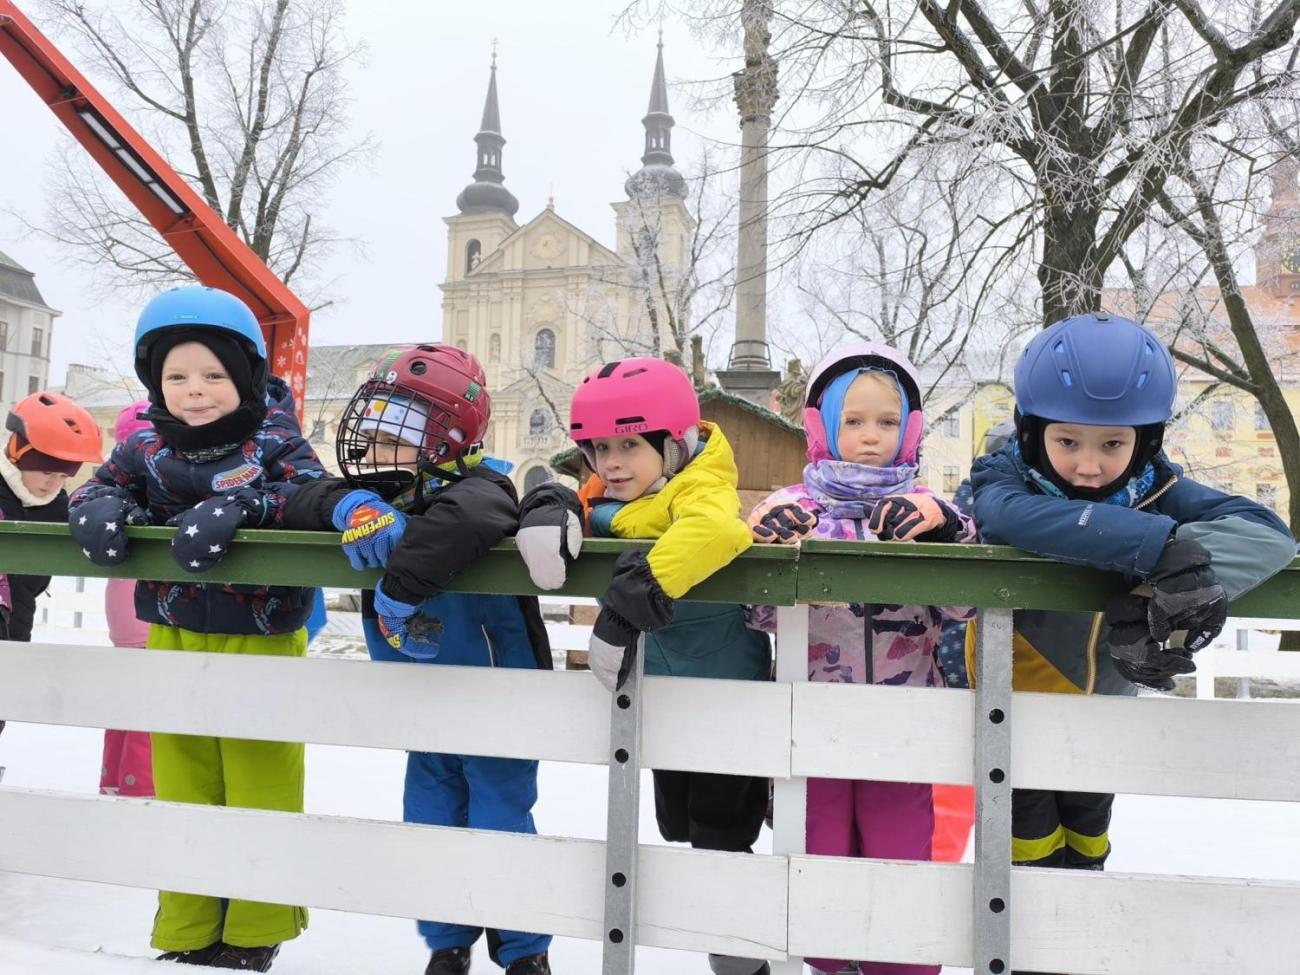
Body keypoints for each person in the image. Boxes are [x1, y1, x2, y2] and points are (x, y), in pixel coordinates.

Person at [968, 313, 1294, 922]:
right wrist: (1161, 548)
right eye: (1067, 442)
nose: (1088, 467)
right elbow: (1007, 516)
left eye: (1112, 444)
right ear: (1032, 430)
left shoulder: (1155, 485)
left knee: (1089, 837)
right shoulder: (1005, 477)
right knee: (1025, 845)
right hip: (1016, 702)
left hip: (1108, 702)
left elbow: (1269, 535)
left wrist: (1152, 591)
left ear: (1143, 441)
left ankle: (1076, 944)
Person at [69, 285, 326, 972]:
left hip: (261, 630)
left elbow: (310, 495)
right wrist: (98, 508)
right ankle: (186, 927)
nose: (196, 390)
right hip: (175, 628)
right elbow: (97, 486)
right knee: (183, 776)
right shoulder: (144, 444)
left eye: (214, 375)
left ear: (243, 377)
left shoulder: (274, 436)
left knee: (258, 776)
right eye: (177, 376)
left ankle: (254, 927)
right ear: (156, 381)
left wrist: (247, 506)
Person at [282, 343, 554, 975]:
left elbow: (473, 516)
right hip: (419, 702)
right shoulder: (378, 496)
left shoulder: (482, 487)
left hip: (498, 700)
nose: (372, 447)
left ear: (447, 439)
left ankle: (523, 951)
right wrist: (348, 505)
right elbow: (301, 498)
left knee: (500, 819)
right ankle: (447, 941)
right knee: (428, 819)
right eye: (369, 430)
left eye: (391, 433)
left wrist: (402, 586)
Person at [516, 357, 772, 975]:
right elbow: (581, 504)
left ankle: (742, 963)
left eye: (629, 445)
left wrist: (630, 604)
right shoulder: (610, 496)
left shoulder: (699, 487)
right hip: (662, 700)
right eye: (600, 448)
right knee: (678, 828)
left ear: (674, 444)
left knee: (721, 839)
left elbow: (715, 531)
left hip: (724, 701)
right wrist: (552, 505)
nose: (610, 463)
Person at [745, 341, 974, 975]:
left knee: (899, 853)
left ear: (910, 430)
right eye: (853, 421)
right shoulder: (793, 507)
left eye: (886, 422)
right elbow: (758, 614)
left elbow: (964, 609)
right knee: (817, 848)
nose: (870, 437)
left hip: (902, 729)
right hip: (811, 722)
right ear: (822, 427)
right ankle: (825, 960)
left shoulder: (931, 508)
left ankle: (898, 964)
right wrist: (770, 549)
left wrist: (949, 533)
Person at [928, 418, 1014, 864]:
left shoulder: (960, 508)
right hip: (962, 667)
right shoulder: (961, 514)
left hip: (972, 666)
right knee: (955, 791)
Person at [0, 390, 103, 747]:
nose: (52, 484)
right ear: (18, 456)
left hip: (17, 622)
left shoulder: (56, 505)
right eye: (45, 471)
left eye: (63, 476)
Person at [98, 400, 155, 799]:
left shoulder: (111, 490)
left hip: (127, 607)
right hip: (144, 608)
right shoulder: (151, 493)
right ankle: (140, 790)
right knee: (147, 705)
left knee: (127, 700)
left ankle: (116, 782)